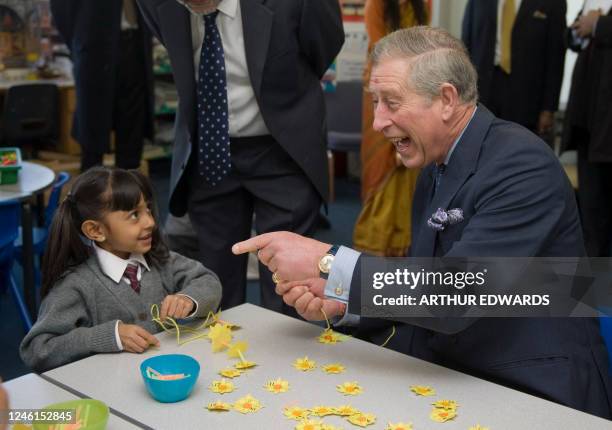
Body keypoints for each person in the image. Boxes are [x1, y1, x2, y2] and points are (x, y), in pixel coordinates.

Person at [233, 27, 612, 419]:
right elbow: (426, 287)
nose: (378, 121)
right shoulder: (435, 166)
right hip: (456, 369)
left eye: (391, 102)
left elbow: (457, 294)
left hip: (533, 388)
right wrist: (343, 303)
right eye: (375, 102)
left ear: (446, 99)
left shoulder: (522, 166)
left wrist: (327, 261)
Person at [135, 0, 344, 314]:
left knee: (287, 286)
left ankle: (279, 361)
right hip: (210, 148)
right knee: (214, 280)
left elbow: (323, 47)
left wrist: (284, 92)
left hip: (283, 147)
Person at [20, 167, 222, 372]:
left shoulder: (160, 260)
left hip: (167, 377)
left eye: (148, 210)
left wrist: (188, 298)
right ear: (96, 230)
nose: (150, 222)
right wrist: (109, 337)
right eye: (134, 215)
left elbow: (208, 281)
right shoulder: (75, 285)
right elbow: (37, 350)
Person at [353, 0, 428, 257]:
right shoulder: (377, 5)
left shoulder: (423, 4)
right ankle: (376, 243)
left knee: (409, 161)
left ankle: (405, 240)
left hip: (414, 89)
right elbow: (379, 49)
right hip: (380, 89)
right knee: (381, 164)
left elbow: (426, 48)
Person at [49, 0, 154, 171]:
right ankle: (90, 194)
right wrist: (79, 40)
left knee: (133, 127)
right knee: (92, 131)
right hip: (94, 51)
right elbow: (60, 8)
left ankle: (128, 192)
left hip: (135, 46)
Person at [461, 0, 566, 138]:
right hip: (482, 90)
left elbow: (555, 57)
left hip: (526, 98)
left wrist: (548, 108)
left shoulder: (553, 3)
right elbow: (465, 45)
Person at [562, 5, 612, 257]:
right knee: (591, 216)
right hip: (588, 125)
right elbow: (575, 35)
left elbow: (596, 26)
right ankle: (592, 290)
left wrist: (599, 25)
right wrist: (578, 29)